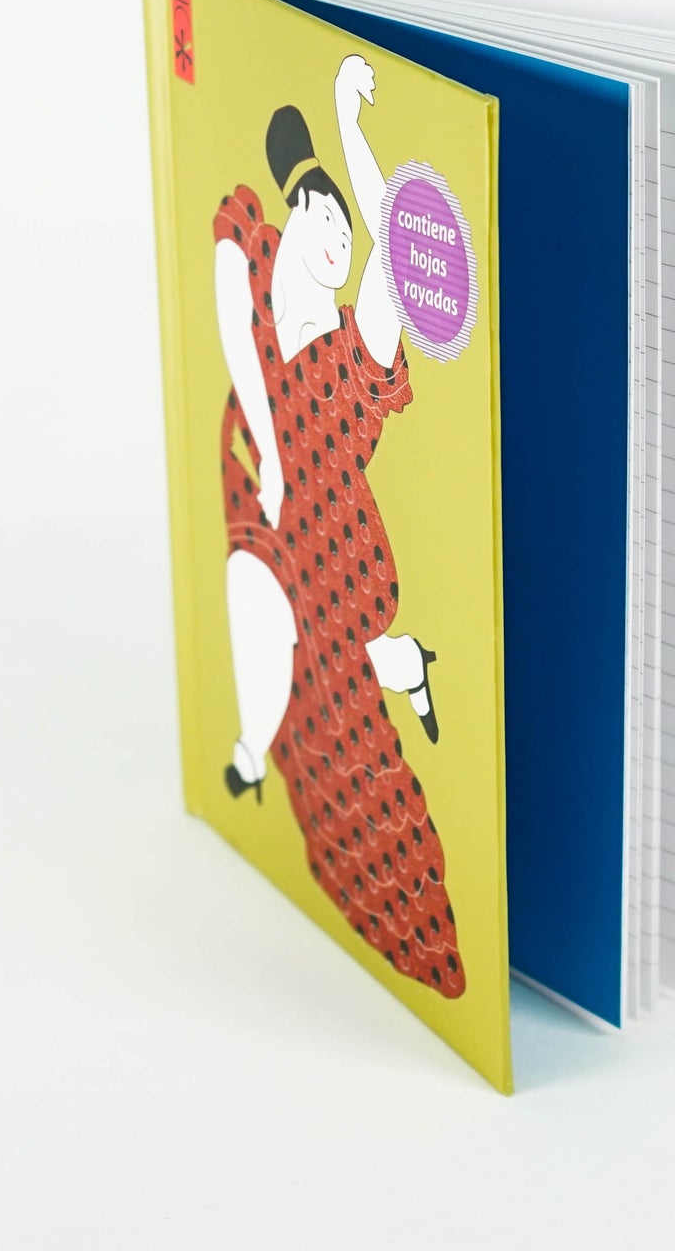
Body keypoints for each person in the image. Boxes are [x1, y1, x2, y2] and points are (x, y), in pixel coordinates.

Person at [211, 54, 463, 998]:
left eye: (349, 234)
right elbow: (229, 286)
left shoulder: (358, 350)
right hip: (278, 530)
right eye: (326, 222)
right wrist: (273, 457)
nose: (340, 242)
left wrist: (349, 125)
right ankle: (382, 676)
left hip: (336, 559)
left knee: (357, 747)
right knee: (303, 692)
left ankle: (397, 669)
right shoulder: (263, 288)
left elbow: (392, 242)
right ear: (299, 215)